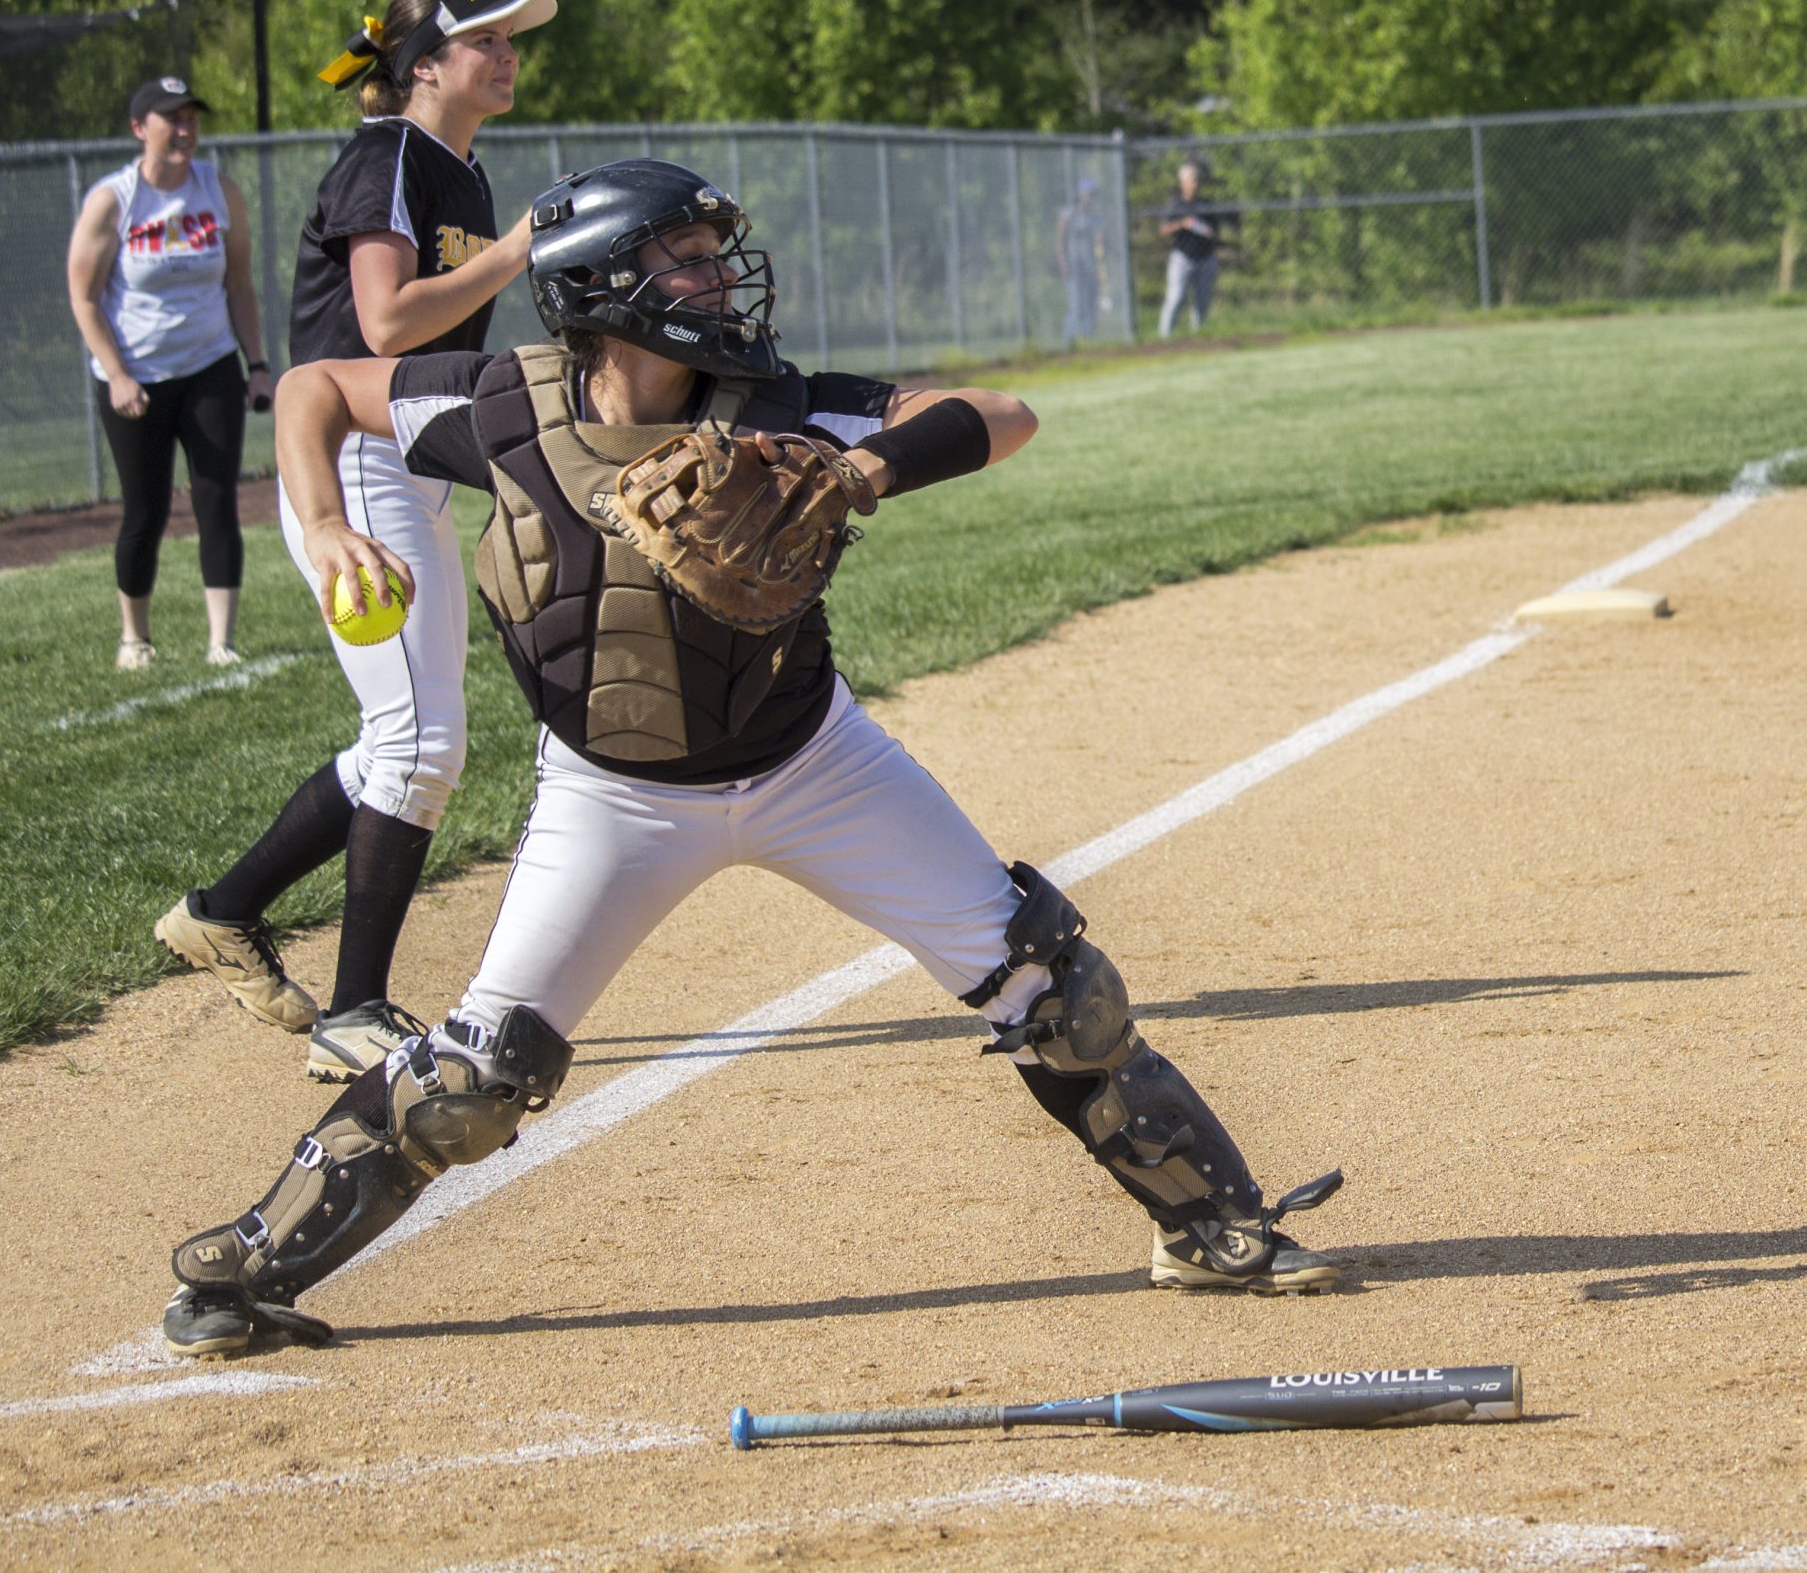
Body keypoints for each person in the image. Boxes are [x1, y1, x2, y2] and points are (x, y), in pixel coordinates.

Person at [157, 158, 1344, 1360]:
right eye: (684, 256)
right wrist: (318, 523)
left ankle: (1208, 1224)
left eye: (713, 254)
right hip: (609, 796)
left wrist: (866, 463)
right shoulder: (497, 406)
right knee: (470, 1079)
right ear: (602, 281)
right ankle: (245, 1272)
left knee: (1058, 998)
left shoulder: (778, 404)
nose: (718, 277)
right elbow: (311, 388)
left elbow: (1003, 413)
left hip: (813, 767)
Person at [152, 0, 556, 1079]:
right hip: (348, 461)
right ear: (421, 63)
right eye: (482, 38)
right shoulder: (387, 156)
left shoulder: (455, 167)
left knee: (402, 734)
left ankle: (222, 911)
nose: (506, 53)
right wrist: (517, 247)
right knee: (423, 740)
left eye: (510, 39)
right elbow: (381, 325)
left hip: (403, 459)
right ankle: (354, 1012)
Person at [67, 76, 274, 670]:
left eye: (191, 119)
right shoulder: (115, 199)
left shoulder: (218, 189)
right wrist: (117, 375)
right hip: (136, 376)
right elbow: (83, 298)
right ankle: (134, 636)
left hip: (210, 366)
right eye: (170, 119)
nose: (184, 130)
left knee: (216, 501)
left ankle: (222, 642)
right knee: (146, 509)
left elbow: (239, 284)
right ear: (140, 128)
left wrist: (256, 365)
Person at [1157, 157, 1221, 338]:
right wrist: (1182, 223)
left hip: (1205, 256)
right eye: (1193, 179)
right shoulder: (1175, 205)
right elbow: (1163, 230)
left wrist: (1207, 231)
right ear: (1182, 181)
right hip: (1183, 257)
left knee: (1202, 300)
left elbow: (1215, 230)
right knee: (1176, 297)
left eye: (1198, 179)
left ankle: (1199, 335)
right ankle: (1164, 337)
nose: (1196, 183)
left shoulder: (1206, 204)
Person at [1056, 174, 1108, 343]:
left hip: (1090, 269)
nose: (1090, 198)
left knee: (1090, 306)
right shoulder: (1069, 214)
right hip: (1073, 267)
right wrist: (1063, 263)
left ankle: (1087, 342)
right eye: (1087, 194)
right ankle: (1067, 343)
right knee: (1076, 306)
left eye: (1092, 194)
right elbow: (1060, 240)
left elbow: (1099, 244)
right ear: (1080, 194)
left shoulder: (1093, 218)